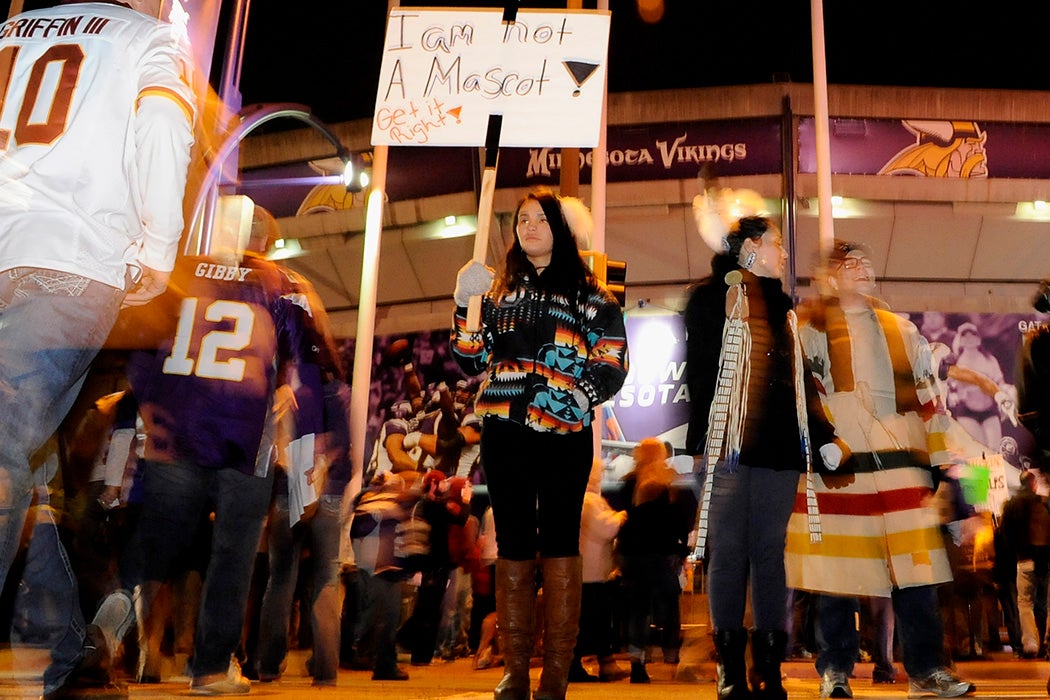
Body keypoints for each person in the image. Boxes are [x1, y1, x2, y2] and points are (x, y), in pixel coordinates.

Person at [0, 1, 195, 697]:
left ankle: (67, 644)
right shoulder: (147, 38)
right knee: (16, 458)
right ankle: (69, 645)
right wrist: (158, 246)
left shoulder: (15, 29)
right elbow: (167, 124)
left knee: (14, 449)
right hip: (73, 262)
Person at [94, 203, 327, 695]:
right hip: (244, 435)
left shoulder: (179, 273)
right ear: (268, 239)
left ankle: (115, 608)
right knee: (232, 554)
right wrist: (308, 454)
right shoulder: (283, 283)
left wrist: (154, 409)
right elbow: (306, 369)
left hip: (176, 430)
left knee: (157, 540)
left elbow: (140, 347)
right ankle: (211, 668)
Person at [450, 188, 629, 700]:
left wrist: (576, 396)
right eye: (521, 219)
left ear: (560, 228)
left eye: (539, 219)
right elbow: (469, 358)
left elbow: (613, 359)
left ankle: (556, 672)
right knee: (512, 545)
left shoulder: (591, 294)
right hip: (505, 430)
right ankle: (515, 671)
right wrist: (466, 305)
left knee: (559, 543)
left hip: (564, 436)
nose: (527, 227)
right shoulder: (498, 291)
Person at [785, 240, 975, 699]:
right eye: (851, 264)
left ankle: (927, 671)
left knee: (918, 574)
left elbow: (931, 403)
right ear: (831, 276)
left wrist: (945, 471)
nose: (864, 269)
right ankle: (835, 670)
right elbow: (801, 400)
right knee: (836, 577)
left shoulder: (903, 330)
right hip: (840, 466)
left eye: (867, 263)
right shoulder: (807, 329)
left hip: (901, 470)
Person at [685, 192, 834, 700]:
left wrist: (824, 437)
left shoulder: (785, 308)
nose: (785, 253)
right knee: (726, 553)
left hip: (777, 449)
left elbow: (798, 384)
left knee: (771, 553)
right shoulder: (711, 298)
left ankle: (769, 665)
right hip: (729, 444)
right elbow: (703, 369)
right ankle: (728, 666)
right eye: (776, 244)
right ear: (750, 246)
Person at [617, 438, 694, 684]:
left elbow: (621, 519)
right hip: (665, 554)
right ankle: (672, 661)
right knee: (669, 608)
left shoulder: (629, 483)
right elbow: (683, 519)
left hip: (634, 555)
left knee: (638, 611)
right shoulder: (671, 482)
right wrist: (681, 551)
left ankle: (638, 663)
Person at [568, 458, 627, 683]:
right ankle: (580, 665)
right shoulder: (590, 501)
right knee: (592, 620)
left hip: (585, 570)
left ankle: (593, 663)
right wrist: (621, 516)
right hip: (592, 573)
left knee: (587, 620)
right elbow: (605, 529)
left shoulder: (578, 498)